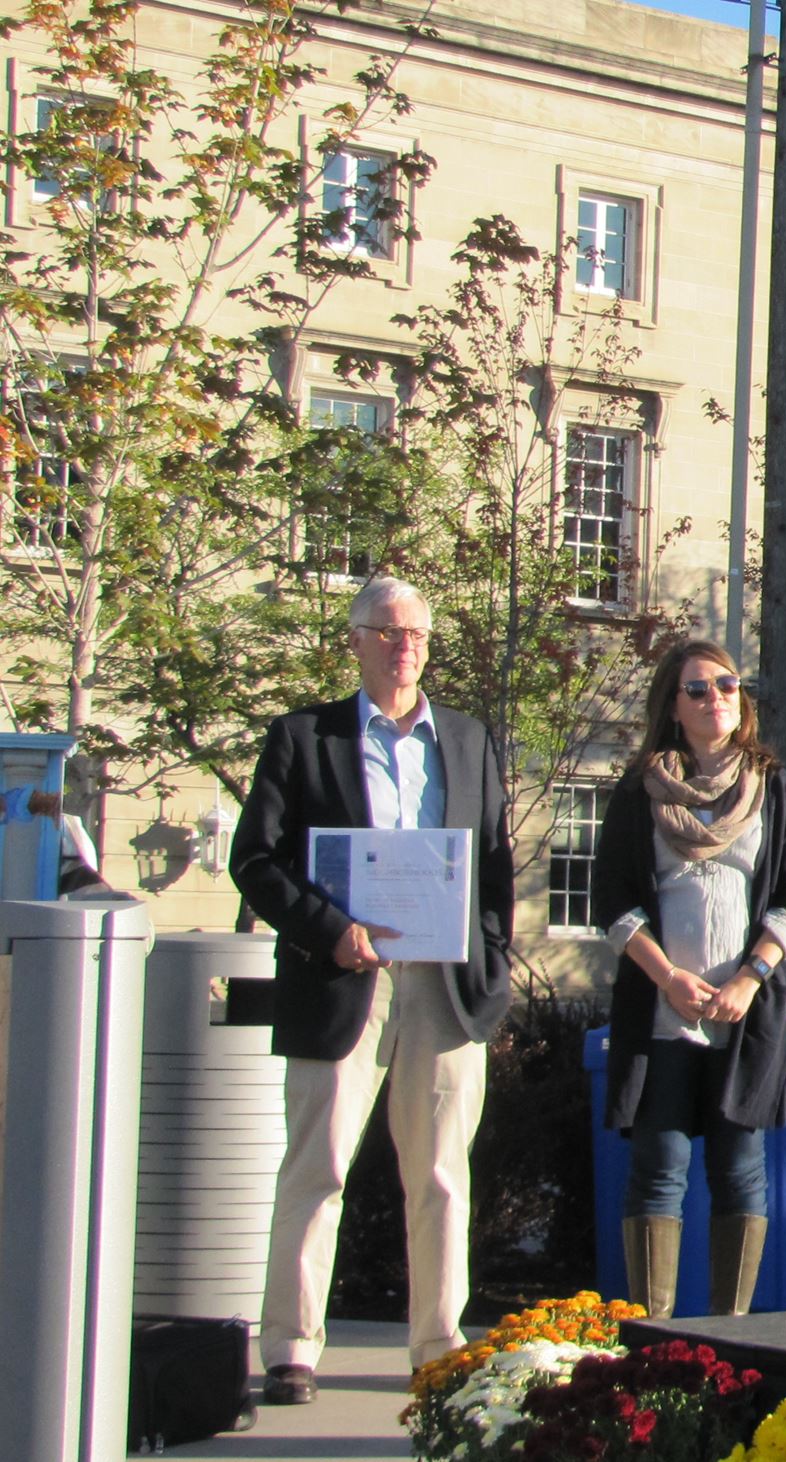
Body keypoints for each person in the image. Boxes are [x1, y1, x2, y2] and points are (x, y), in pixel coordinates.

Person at [230, 576, 514, 1403]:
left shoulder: (465, 739)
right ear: (354, 641)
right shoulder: (303, 737)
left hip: (443, 986)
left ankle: (438, 1347)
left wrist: (489, 963)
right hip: (340, 981)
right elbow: (256, 860)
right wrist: (331, 932)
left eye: (417, 634)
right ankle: (290, 1348)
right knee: (316, 1168)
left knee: (440, 1176)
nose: (404, 648)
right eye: (387, 633)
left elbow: (494, 867)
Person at [592, 639, 786, 1319]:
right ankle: (655, 1340)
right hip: (663, 1017)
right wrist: (666, 978)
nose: (716, 697)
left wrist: (751, 978)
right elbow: (613, 902)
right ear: (673, 704)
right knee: (659, 1174)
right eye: (698, 688)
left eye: (727, 685)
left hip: (743, 1018)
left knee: (740, 1174)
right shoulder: (640, 790)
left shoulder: (772, 787)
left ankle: (736, 1339)